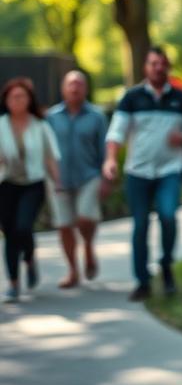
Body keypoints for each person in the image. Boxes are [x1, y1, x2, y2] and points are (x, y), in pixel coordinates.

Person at [103, 46, 182, 301]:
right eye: (152, 63)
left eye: (162, 63)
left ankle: (167, 265)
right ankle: (142, 281)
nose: (157, 67)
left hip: (170, 170)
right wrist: (111, 160)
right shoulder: (132, 98)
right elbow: (116, 132)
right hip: (138, 172)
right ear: (145, 68)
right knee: (140, 226)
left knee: (168, 217)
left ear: (167, 67)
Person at [0, 77, 60, 303]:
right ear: (6, 100)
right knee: (9, 233)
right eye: (13, 96)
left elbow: (51, 157)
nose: (17, 100)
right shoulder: (1, 125)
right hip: (6, 184)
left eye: (22, 96)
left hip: (33, 184)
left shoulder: (40, 125)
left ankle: (30, 258)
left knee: (23, 226)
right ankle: (14, 284)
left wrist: (58, 182)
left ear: (29, 99)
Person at [46, 70, 108, 289]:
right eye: (71, 84)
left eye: (79, 84)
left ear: (86, 88)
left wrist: (106, 178)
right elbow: (46, 151)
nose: (75, 88)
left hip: (89, 176)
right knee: (64, 226)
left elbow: (104, 149)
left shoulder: (97, 117)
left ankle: (88, 247)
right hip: (59, 179)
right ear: (63, 88)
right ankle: (73, 270)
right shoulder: (51, 118)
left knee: (85, 218)